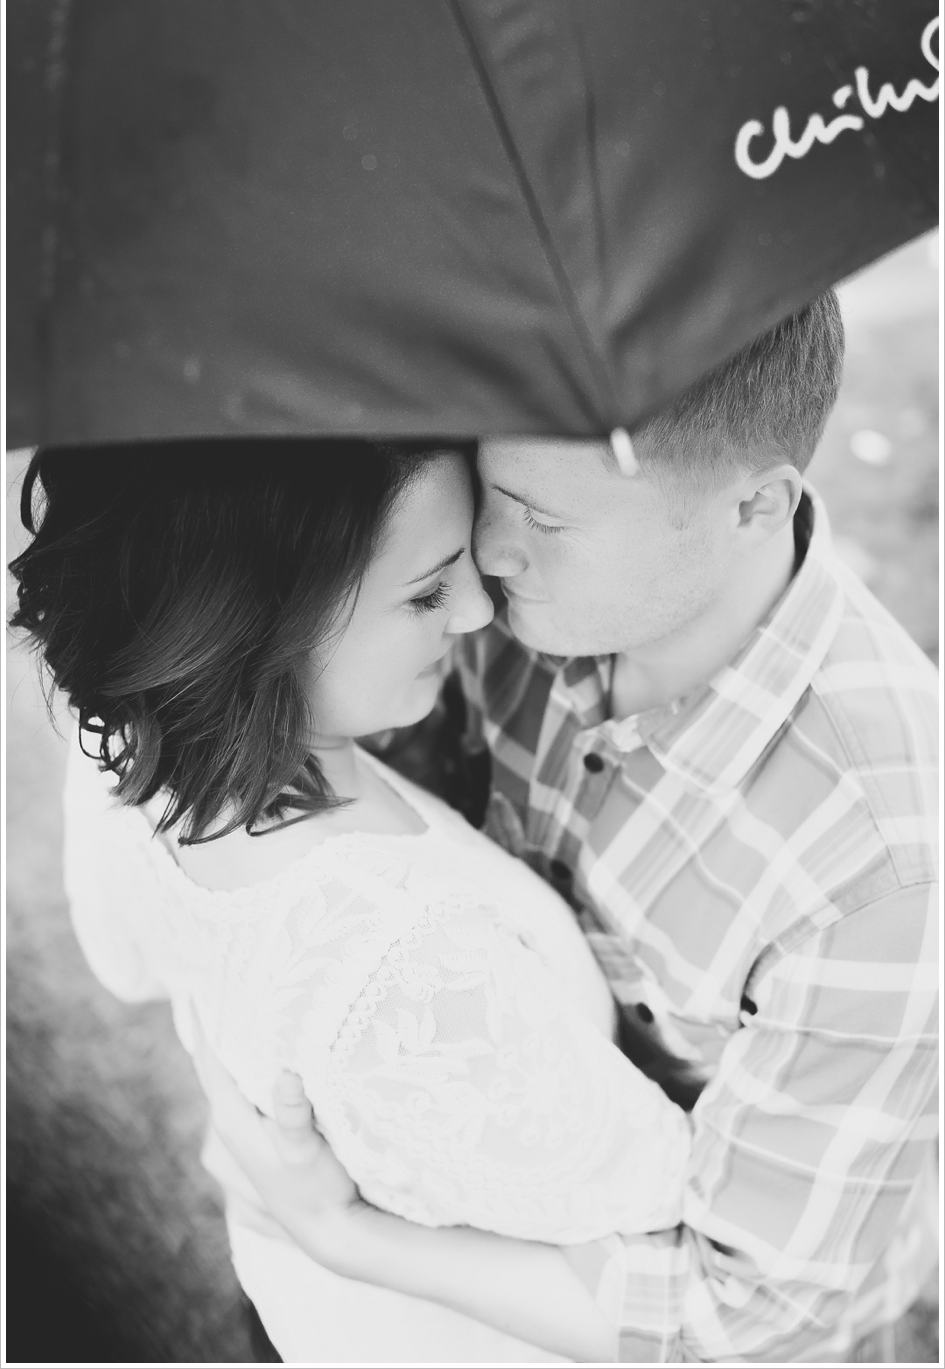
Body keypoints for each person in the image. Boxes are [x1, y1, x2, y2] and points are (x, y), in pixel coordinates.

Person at [193, 290, 939, 1364]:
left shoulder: (881, 868)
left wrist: (345, 1231)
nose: (486, 554)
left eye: (543, 520)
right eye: (490, 485)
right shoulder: (512, 592)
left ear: (753, 507)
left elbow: (751, 1315)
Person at [9, 437, 693, 1364]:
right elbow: (690, 1300)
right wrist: (341, 1230)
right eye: (424, 591)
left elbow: (124, 961)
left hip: (303, 1306)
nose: (478, 609)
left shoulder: (135, 748)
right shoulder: (403, 961)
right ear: (255, 620)